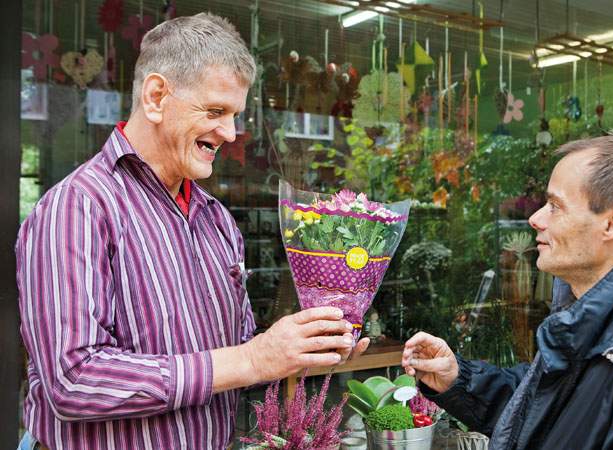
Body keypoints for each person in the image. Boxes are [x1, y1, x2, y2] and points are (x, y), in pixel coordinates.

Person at [16, 13, 368, 450]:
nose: (230, 132)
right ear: (157, 96)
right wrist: (253, 359)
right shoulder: (77, 207)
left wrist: (299, 350)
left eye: (235, 114)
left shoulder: (216, 220)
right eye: (216, 111)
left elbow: (237, 358)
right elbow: (74, 381)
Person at [402, 131, 613, 449]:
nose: (536, 218)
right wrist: (458, 379)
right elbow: (546, 412)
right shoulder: (596, 318)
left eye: (555, 206)